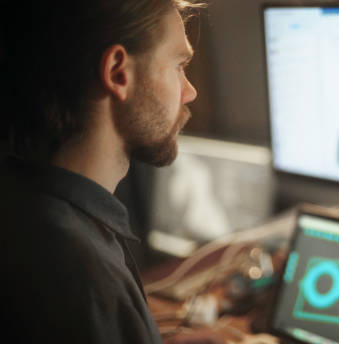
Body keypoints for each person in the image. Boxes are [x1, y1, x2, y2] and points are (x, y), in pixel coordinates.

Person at [0, 0, 221, 342]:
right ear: (119, 73)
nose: (190, 92)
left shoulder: (23, 205)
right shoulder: (83, 276)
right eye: (179, 66)